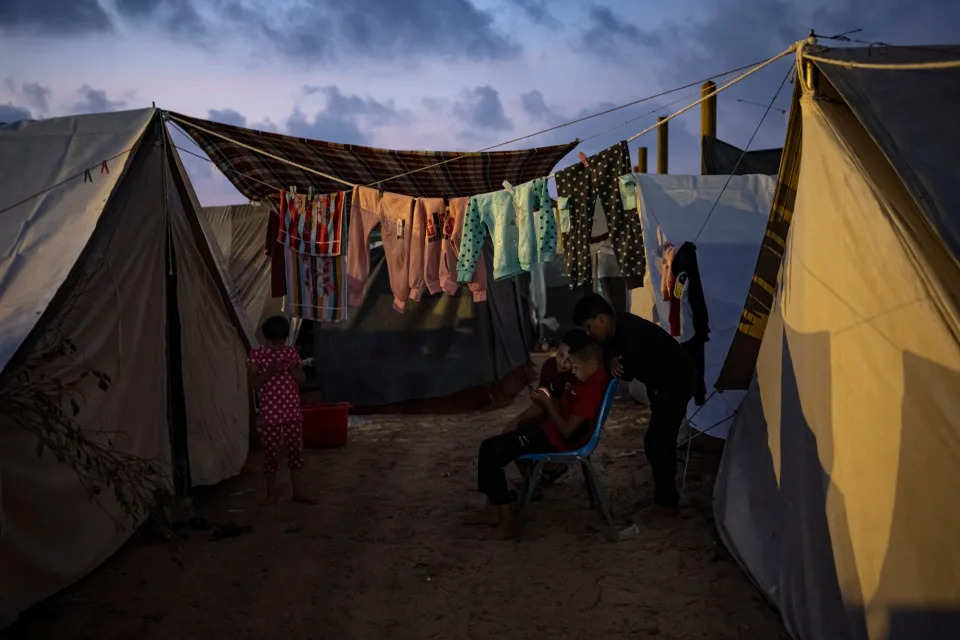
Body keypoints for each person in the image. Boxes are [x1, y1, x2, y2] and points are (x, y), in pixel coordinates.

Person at [469, 339, 610, 539]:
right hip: (549, 431)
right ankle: (494, 507)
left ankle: (506, 518)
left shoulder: (590, 389)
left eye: (576, 367)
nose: (574, 372)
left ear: (592, 365)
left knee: (492, 452)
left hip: (557, 440)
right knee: (490, 446)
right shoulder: (588, 378)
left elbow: (568, 432)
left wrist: (548, 405)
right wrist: (550, 402)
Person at [573, 294, 694, 512]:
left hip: (675, 381)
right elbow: (610, 355)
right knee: (657, 441)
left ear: (601, 319)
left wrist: (614, 362)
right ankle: (664, 496)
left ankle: (668, 503)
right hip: (660, 386)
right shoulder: (617, 328)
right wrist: (610, 358)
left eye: (589, 326)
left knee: (659, 442)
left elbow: (626, 371)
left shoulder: (631, 333)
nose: (589, 333)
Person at [503, 329, 588, 487]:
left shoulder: (579, 376)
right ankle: (532, 482)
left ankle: (548, 470)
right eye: (560, 355)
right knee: (510, 432)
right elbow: (541, 406)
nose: (562, 363)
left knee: (514, 441)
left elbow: (563, 413)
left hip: (562, 428)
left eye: (569, 360)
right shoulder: (549, 366)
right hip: (547, 420)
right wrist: (518, 420)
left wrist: (548, 403)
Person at [247, 315, 316, 506]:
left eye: (280, 342)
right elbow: (251, 382)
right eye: (272, 342)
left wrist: (292, 369)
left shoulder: (290, 354)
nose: (276, 347)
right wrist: (269, 372)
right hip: (270, 415)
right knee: (270, 453)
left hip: (292, 412)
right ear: (265, 339)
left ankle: (298, 491)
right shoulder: (257, 355)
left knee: (296, 452)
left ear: (286, 339)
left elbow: (302, 379)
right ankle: (270, 494)